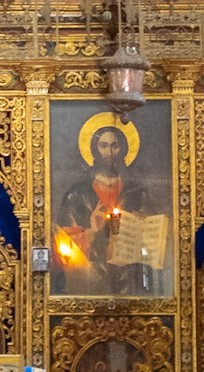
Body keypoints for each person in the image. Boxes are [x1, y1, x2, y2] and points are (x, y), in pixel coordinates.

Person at [55, 121, 154, 294]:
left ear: (122, 149)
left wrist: (141, 225)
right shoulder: (77, 195)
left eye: (114, 146)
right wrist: (92, 232)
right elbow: (62, 245)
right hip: (90, 280)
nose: (109, 153)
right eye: (104, 146)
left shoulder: (137, 193)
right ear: (94, 149)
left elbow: (155, 242)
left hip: (130, 279)